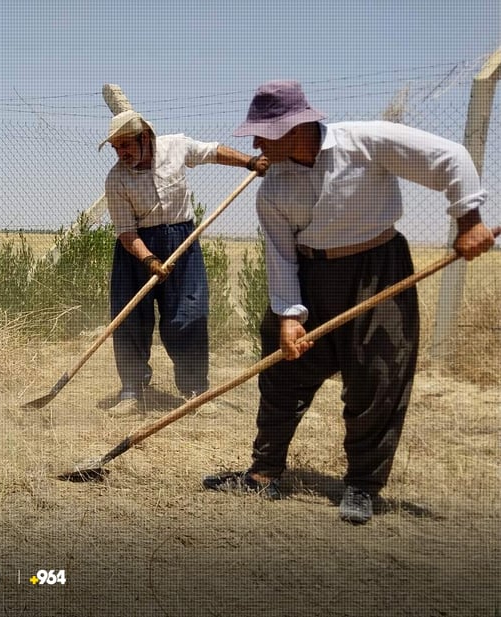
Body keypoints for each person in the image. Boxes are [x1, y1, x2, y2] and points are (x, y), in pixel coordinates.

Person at [204, 80, 494, 524]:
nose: (257, 143)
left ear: (297, 127)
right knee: (281, 369)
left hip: (378, 272)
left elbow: (449, 158)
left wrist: (468, 218)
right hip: (310, 275)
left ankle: (361, 485)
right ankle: (264, 474)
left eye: (264, 132)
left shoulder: (366, 141)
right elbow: (280, 254)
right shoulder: (272, 190)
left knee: (378, 373)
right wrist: (287, 315)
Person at [101, 110, 269, 406]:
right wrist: (149, 260)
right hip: (136, 250)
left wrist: (250, 162)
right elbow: (126, 231)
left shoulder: (176, 146)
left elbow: (212, 152)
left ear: (144, 138)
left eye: (125, 145)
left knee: (190, 315)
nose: (121, 153)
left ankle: (195, 390)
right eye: (116, 148)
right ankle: (131, 388)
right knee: (130, 319)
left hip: (182, 242)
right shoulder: (116, 180)